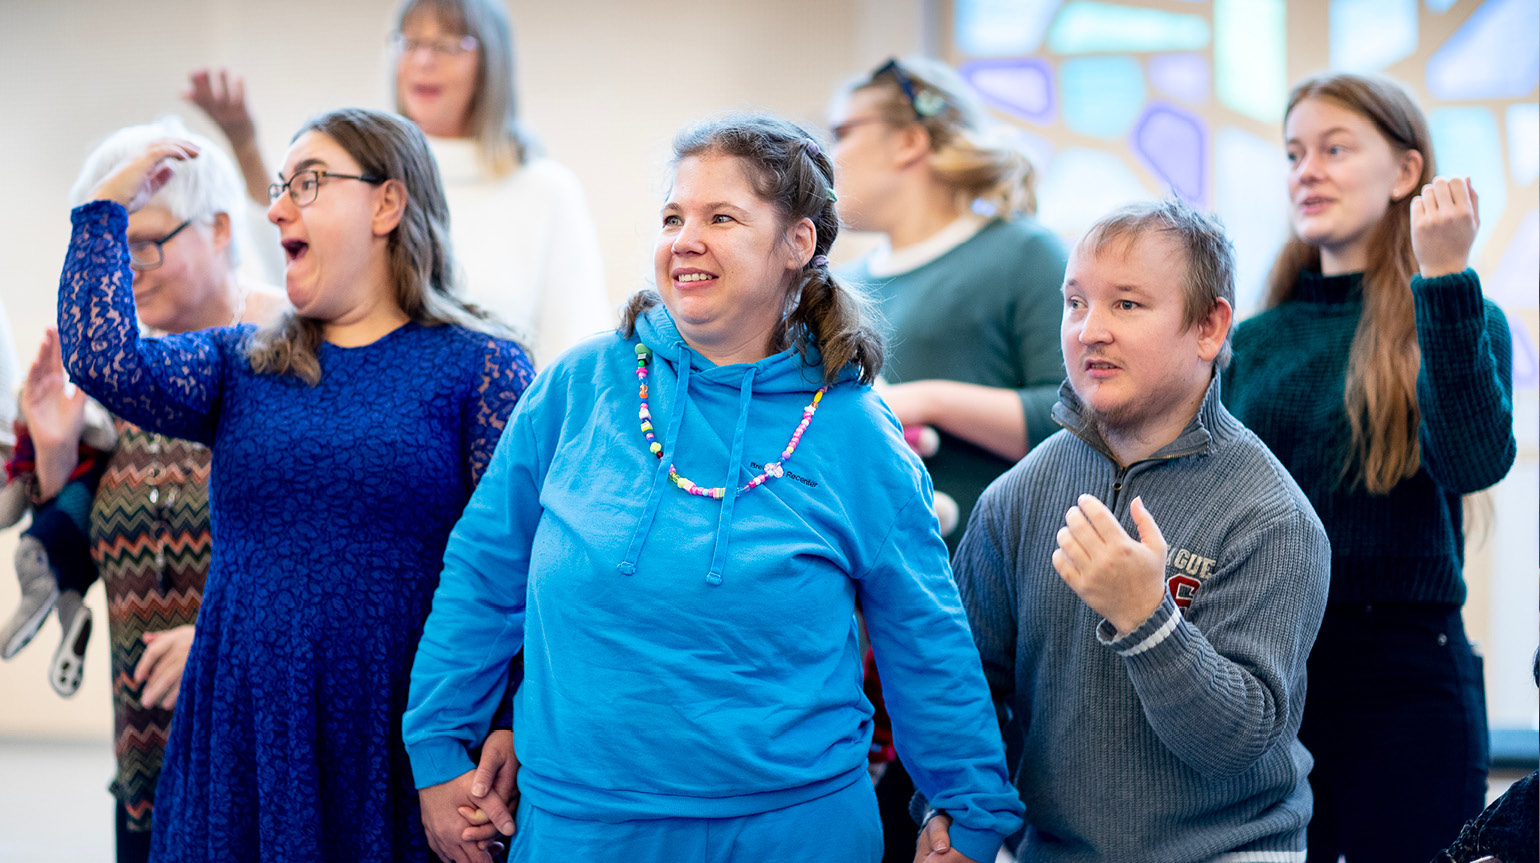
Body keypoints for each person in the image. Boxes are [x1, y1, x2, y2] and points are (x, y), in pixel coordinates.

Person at [403, 113, 1023, 863]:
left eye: (720, 217)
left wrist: (970, 809)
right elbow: (481, 575)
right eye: (673, 217)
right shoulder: (578, 388)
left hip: (795, 831)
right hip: (585, 827)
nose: (684, 240)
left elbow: (925, 640)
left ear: (799, 242)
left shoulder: (856, 431)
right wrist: (439, 748)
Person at [57, 107, 534, 862]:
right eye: (278, 187)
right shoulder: (242, 361)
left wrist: (507, 718)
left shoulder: (485, 368)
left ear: (387, 202)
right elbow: (102, 359)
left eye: (307, 182)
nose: (276, 206)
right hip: (245, 733)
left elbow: (517, 571)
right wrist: (104, 212)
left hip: (401, 735)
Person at [924, 199, 1330, 862]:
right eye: (1075, 302)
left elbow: (1238, 742)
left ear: (1209, 327)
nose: (1090, 331)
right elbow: (966, 686)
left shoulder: (1273, 516)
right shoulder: (1018, 496)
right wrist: (950, 812)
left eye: (1126, 305)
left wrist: (1148, 618)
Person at [1222, 72, 1515, 863]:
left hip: (1410, 680)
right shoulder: (1255, 338)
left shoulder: (1459, 313)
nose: (1305, 171)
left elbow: (1474, 461)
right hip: (1273, 675)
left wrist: (1445, 279)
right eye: (1293, 153)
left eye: (1334, 148)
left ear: (1407, 171)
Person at [8, 119, 284, 863]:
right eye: (113, 246)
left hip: (263, 755)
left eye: (145, 242)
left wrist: (222, 637)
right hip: (148, 759)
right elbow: (86, 549)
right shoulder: (124, 376)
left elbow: (334, 560)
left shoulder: (292, 356)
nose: (125, 268)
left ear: (222, 228)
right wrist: (57, 445)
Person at [187, 0, 608, 363]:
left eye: (447, 44)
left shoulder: (546, 191)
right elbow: (291, 268)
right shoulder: (362, 175)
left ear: (491, 63)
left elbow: (578, 347)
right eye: (410, 42)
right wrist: (245, 147)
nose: (423, 60)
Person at [829, 56, 1065, 548]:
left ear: (910, 141)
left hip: (996, 580)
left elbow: (1076, 419)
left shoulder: (1022, 253)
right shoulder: (841, 286)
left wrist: (925, 401)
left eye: (842, 132)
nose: (825, 155)